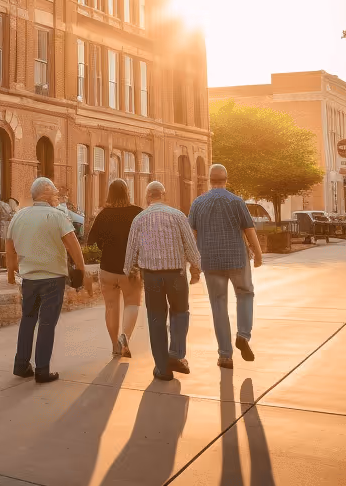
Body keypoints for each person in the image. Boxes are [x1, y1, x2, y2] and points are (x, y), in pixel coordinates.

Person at [5, 177, 89, 383]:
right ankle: (42, 369)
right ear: (46, 193)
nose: (56, 195)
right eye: (54, 192)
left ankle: (21, 364)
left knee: (28, 320)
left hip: (29, 278)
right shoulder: (57, 216)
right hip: (53, 278)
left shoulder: (19, 216)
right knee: (47, 323)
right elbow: (73, 245)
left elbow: (9, 247)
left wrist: (10, 273)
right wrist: (81, 269)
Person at [188, 163, 263, 370]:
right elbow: (249, 229)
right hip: (237, 259)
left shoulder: (198, 203)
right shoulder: (236, 201)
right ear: (226, 179)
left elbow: (191, 235)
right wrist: (257, 253)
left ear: (210, 180)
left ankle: (225, 356)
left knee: (218, 305)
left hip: (210, 261)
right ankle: (243, 335)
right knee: (245, 293)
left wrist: (193, 264)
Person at [124, 181, 201, 381]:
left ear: (148, 196)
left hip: (152, 277)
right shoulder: (178, 216)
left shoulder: (139, 219)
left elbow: (131, 251)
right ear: (164, 195)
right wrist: (196, 268)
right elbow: (191, 247)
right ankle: (175, 353)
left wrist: (129, 271)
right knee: (180, 313)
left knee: (156, 319)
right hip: (176, 275)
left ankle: (162, 368)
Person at [86, 178, 143, 357]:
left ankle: (114, 346)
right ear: (128, 192)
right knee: (132, 303)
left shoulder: (103, 215)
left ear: (109, 194)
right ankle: (124, 337)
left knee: (110, 307)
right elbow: (146, 240)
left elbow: (91, 242)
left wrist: (105, 246)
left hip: (108, 268)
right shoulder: (137, 213)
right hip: (130, 269)